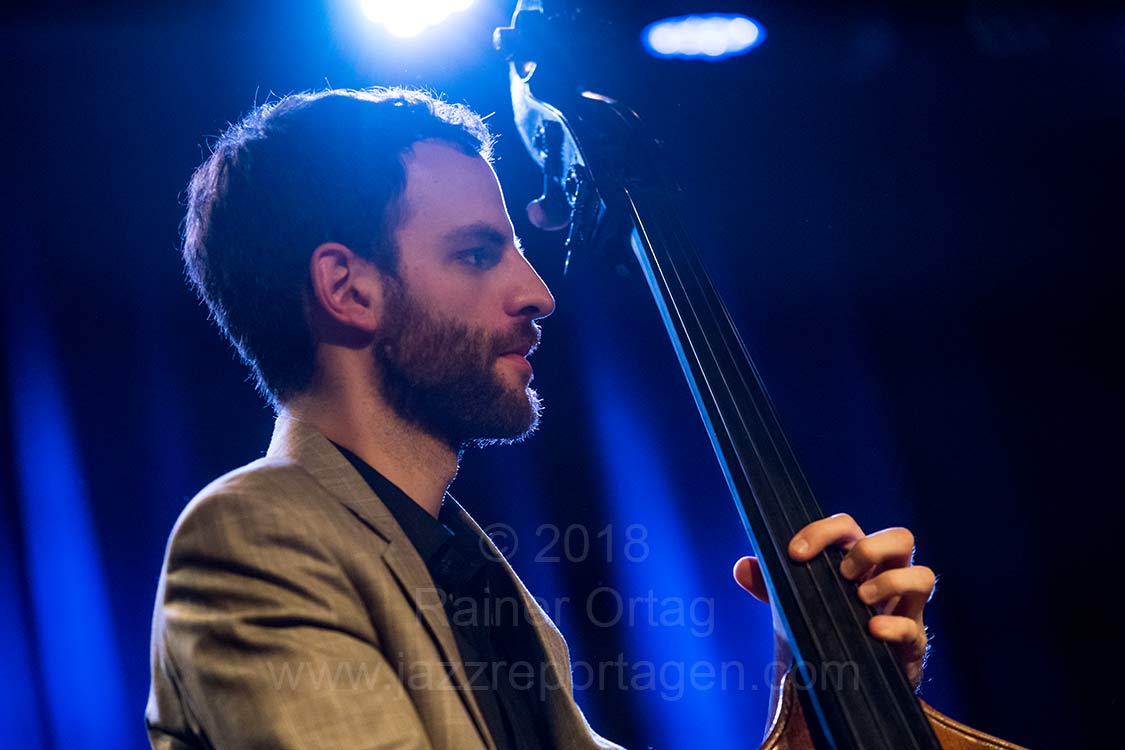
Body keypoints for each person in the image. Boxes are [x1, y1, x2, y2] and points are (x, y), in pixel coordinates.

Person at [146, 87, 935, 750]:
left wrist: (823, 703)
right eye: (478, 253)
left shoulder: (474, 575)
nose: (537, 294)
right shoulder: (253, 536)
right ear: (349, 290)